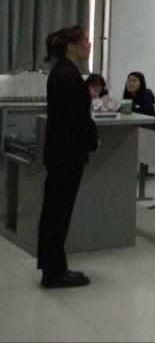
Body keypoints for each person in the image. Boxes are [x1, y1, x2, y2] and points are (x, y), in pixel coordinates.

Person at [38, 26, 97, 289]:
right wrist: (92, 139)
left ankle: (54, 267)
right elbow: (78, 116)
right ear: (71, 46)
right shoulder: (67, 75)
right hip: (66, 154)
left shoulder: (63, 71)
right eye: (84, 41)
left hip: (62, 152)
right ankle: (54, 272)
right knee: (58, 212)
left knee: (56, 211)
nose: (88, 44)